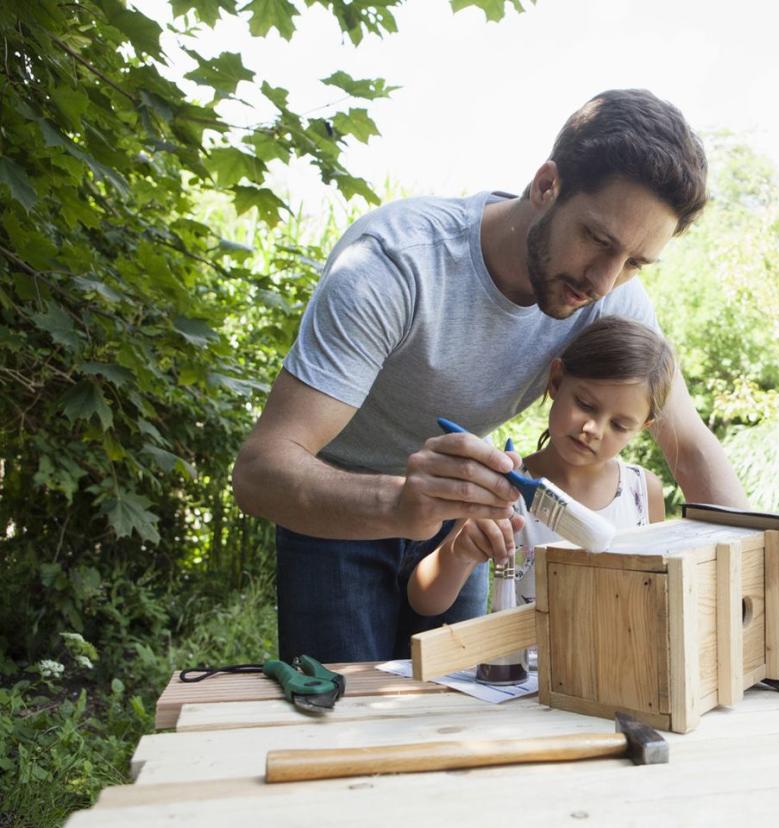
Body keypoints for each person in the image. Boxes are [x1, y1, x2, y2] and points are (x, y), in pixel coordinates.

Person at [231, 89, 749, 664]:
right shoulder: (397, 264)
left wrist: (761, 591)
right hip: (334, 508)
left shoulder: (610, 301)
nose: (604, 281)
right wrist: (403, 502)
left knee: (459, 709)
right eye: (598, 240)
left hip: (462, 519)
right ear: (547, 184)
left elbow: (691, 449)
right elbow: (260, 472)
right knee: (345, 725)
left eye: (633, 263)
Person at [407, 316, 674, 616]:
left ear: (642, 427)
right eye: (586, 404)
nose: (594, 429)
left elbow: (657, 597)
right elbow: (425, 600)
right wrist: (460, 552)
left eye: (619, 425)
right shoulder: (503, 490)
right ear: (557, 381)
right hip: (526, 663)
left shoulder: (644, 492)